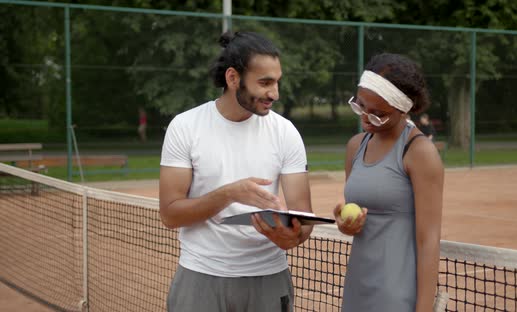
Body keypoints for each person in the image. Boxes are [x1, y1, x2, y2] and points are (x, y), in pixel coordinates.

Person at [159, 31, 313, 312]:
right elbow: (170, 214)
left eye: (277, 82)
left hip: (269, 278)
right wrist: (231, 193)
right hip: (200, 277)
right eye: (265, 82)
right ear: (233, 78)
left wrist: (293, 236)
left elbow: (304, 219)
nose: (274, 94)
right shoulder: (185, 127)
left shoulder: (286, 132)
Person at [333, 53, 444, 312]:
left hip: (397, 293)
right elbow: (360, 219)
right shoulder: (355, 147)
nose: (365, 118)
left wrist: (424, 309)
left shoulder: (419, 152)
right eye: (360, 106)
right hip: (357, 285)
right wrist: (347, 226)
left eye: (378, 114)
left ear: (403, 109)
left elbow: (429, 239)